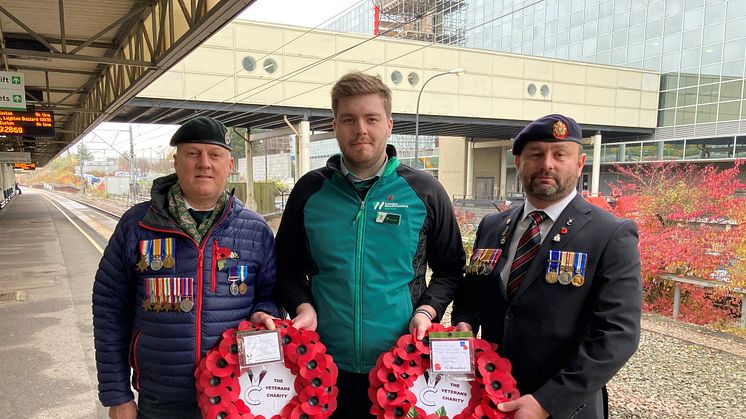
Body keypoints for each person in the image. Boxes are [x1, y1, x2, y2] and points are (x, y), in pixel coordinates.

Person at [274, 71, 465, 418]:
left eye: (371, 118)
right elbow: (285, 266)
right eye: (349, 119)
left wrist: (427, 310)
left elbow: (450, 269)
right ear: (335, 126)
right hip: (323, 368)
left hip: (401, 368)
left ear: (389, 124)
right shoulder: (309, 191)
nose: (360, 129)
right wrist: (302, 305)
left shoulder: (424, 192)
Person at [452, 114, 642, 419]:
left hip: (562, 408)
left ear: (579, 164)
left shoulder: (610, 234)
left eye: (559, 155)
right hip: (490, 398)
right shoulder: (492, 225)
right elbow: (470, 298)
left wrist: (548, 401)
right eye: (536, 155)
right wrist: (464, 324)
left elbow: (617, 334)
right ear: (518, 162)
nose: (547, 164)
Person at [92, 116, 282, 419]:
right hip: (160, 400)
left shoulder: (255, 230)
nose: (204, 163)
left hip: (236, 395)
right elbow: (108, 310)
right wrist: (117, 394)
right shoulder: (137, 225)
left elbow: (271, 295)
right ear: (176, 162)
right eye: (193, 153)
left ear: (229, 165)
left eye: (214, 155)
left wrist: (264, 312)